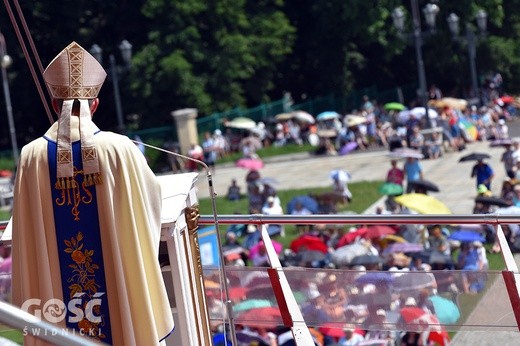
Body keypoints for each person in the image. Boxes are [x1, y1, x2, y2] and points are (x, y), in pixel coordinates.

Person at [10, 42, 174, 345]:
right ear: (94, 104)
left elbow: (26, 236)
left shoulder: (31, 156)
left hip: (57, 303)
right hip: (117, 295)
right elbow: (150, 204)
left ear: (55, 102)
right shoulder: (120, 149)